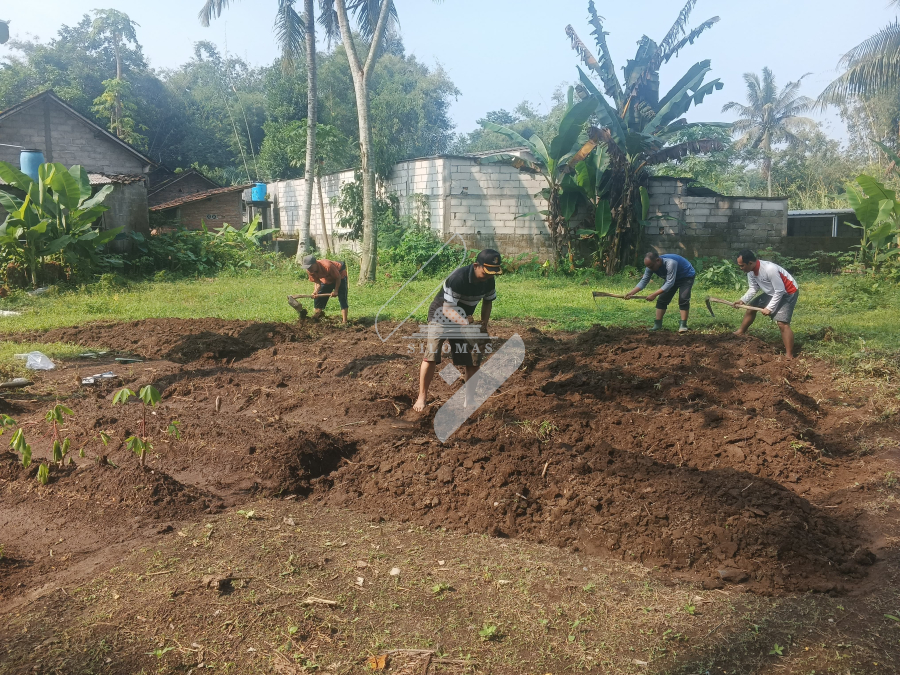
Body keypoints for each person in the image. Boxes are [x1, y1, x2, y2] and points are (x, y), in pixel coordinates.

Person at [412, 249, 502, 412]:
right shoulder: (458, 278)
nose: (489, 276)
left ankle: (469, 399)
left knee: (473, 358)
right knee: (431, 355)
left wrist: (483, 325)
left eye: (493, 273)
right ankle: (422, 397)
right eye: (487, 272)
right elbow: (447, 309)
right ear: (476, 265)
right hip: (441, 316)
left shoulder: (489, 280)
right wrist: (466, 324)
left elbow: (487, 302)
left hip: (464, 318)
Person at [732, 249, 799, 359]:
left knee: (782, 323)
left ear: (750, 263)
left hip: (788, 292)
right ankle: (741, 331)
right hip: (772, 292)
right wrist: (742, 300)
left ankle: (789, 355)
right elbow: (753, 288)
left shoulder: (769, 269)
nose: (741, 268)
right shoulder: (751, 271)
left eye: (742, 265)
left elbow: (780, 291)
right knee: (750, 308)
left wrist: (769, 308)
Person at [625, 250, 696, 332]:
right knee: (662, 299)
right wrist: (631, 293)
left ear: (657, 260)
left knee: (683, 299)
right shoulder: (650, 266)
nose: (650, 269)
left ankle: (683, 325)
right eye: (648, 267)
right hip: (671, 278)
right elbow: (644, 281)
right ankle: (657, 325)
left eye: (651, 266)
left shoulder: (670, 263)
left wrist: (654, 294)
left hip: (686, 276)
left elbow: (669, 283)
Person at [289, 255, 349, 323]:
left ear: (315, 263)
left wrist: (336, 290)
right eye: (307, 267)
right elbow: (317, 282)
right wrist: (315, 291)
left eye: (310, 267)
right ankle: (317, 319)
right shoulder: (310, 271)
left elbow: (338, 277)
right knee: (318, 299)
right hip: (326, 279)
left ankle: (344, 321)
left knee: (342, 298)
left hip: (340, 276)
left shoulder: (327, 266)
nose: (309, 269)